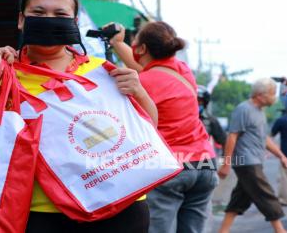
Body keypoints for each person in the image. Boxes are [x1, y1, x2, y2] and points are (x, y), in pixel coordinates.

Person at [0, 0, 158, 232]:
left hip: (120, 204)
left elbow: (148, 130)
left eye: (60, 13)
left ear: (74, 21)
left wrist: (140, 92)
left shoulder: (103, 72)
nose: (49, 19)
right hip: (41, 212)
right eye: (38, 12)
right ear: (21, 20)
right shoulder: (1, 75)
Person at [109, 21, 218, 233]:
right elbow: (145, 67)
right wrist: (118, 43)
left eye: (135, 39)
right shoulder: (183, 72)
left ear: (141, 49)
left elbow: (140, 72)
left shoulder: (142, 84)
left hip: (170, 167)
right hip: (204, 164)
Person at [218, 78, 287, 233]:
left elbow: (265, 139)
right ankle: (280, 230)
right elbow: (232, 136)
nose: (274, 98)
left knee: (240, 199)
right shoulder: (243, 109)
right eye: (272, 94)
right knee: (266, 195)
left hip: (254, 161)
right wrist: (226, 163)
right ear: (260, 95)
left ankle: (222, 231)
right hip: (247, 162)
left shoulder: (260, 112)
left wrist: (281, 155)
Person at [198, 85, 226, 155]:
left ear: (204, 102)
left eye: (199, 100)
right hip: (181, 158)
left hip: (202, 159)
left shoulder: (211, 120)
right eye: (194, 100)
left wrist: (226, 162)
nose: (196, 103)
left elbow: (224, 140)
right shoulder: (180, 118)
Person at [272, 109, 287, 205]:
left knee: (284, 177)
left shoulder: (281, 120)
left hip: (285, 154)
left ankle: (284, 200)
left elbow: (271, 133)